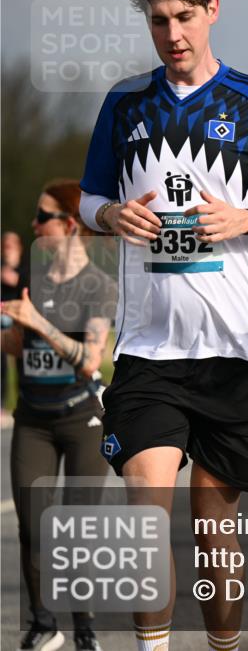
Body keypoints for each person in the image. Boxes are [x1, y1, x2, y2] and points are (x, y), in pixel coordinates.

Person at [77, 0, 248, 649]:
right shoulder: (124, 105)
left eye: (184, 16)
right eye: (158, 20)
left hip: (237, 354)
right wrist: (107, 214)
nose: (172, 33)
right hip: (151, 354)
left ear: (213, 7)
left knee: (214, 527)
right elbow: (88, 198)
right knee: (145, 519)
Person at [1, 180, 117, 651]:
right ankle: (44, 623)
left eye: (43, 216)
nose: (34, 223)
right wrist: (9, 327)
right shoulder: (32, 278)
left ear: (69, 225)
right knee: (32, 526)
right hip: (32, 418)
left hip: (81, 418)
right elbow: (14, 346)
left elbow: (91, 359)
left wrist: (39, 323)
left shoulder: (99, 285)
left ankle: (85, 630)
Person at [2, 231, 26, 414]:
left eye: (11, 245)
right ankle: (2, 405)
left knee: (22, 362)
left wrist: (14, 278)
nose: (7, 249)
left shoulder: (24, 270)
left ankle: (23, 401)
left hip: (18, 319)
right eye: (5, 246)